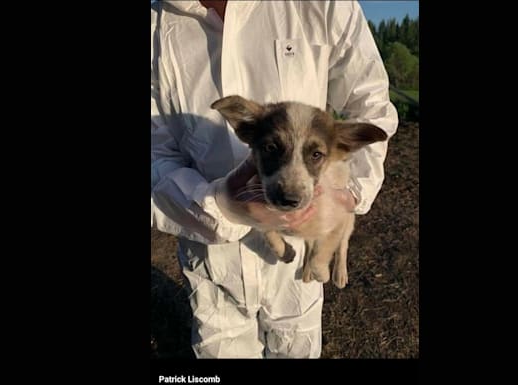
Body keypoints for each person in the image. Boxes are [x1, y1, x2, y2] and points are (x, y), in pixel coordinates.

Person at [151, 0, 398, 358]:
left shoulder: (322, 5)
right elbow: (155, 153)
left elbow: (372, 104)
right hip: (212, 259)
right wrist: (219, 203)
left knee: (296, 345)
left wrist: (347, 194)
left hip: (299, 257)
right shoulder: (156, 28)